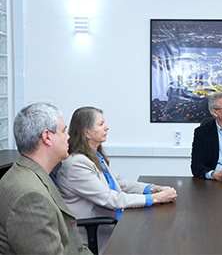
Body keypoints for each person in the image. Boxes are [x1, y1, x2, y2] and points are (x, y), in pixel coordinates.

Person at [56, 106, 177, 254]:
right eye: (100, 124)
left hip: (109, 222)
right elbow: (110, 199)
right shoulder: (77, 164)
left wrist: (152, 188)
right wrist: (154, 199)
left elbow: (119, 182)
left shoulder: (93, 156)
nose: (106, 127)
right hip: (92, 234)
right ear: (86, 132)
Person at [0, 103, 92, 254]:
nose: (68, 136)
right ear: (47, 137)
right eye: (63, 131)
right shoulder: (29, 196)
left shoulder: (31, 174)